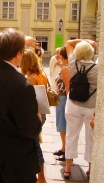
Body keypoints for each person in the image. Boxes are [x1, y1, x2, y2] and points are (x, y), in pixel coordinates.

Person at [0, 28, 42, 183]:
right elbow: (31, 130)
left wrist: (20, 41)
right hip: (12, 160)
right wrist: (37, 117)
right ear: (19, 54)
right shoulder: (22, 85)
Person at [63, 39, 98, 180]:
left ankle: (67, 169)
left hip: (73, 104)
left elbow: (68, 43)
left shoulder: (73, 62)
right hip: (91, 107)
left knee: (71, 135)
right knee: (91, 138)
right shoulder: (98, 69)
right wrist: (94, 44)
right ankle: (90, 168)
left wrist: (84, 40)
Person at [20, 49, 48, 183]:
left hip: (35, 114)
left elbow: (30, 100)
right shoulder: (41, 73)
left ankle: (41, 178)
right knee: (34, 144)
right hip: (42, 112)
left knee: (35, 146)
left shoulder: (31, 78)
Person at [53, 46, 70, 161]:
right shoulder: (67, 66)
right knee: (63, 127)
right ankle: (64, 148)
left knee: (63, 127)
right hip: (62, 98)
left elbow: (67, 87)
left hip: (63, 99)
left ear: (62, 56)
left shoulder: (66, 68)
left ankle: (66, 151)